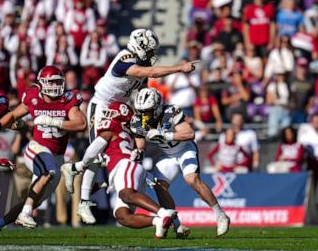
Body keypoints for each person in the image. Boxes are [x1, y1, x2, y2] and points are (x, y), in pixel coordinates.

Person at [61, 28, 198, 224]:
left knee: (124, 148)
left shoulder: (141, 65)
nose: (151, 55)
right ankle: (83, 199)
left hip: (121, 106)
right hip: (101, 106)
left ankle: (93, 178)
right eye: (149, 51)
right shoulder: (125, 59)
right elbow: (149, 72)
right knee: (99, 154)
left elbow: (142, 88)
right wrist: (179, 68)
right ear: (139, 48)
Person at [66, 101, 177, 238]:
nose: (107, 117)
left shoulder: (112, 127)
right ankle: (158, 222)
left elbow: (93, 149)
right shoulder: (126, 131)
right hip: (127, 169)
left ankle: (164, 213)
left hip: (125, 165)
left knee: (126, 194)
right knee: (122, 216)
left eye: (111, 114)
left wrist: (80, 165)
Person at [0, 65, 86, 231]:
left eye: (58, 82)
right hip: (37, 148)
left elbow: (81, 123)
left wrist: (55, 122)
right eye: (51, 83)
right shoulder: (33, 96)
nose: (55, 86)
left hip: (57, 156)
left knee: (32, 200)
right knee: (47, 172)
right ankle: (25, 214)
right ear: (42, 83)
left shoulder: (67, 99)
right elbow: (14, 115)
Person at [130, 88, 230, 237]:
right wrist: (137, 152)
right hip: (167, 155)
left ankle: (220, 215)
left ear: (157, 106)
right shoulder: (137, 121)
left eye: (148, 111)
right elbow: (141, 145)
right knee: (159, 186)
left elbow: (189, 134)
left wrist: (164, 134)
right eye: (141, 111)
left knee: (192, 179)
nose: (144, 115)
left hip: (184, 149)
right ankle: (178, 226)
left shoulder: (171, 111)